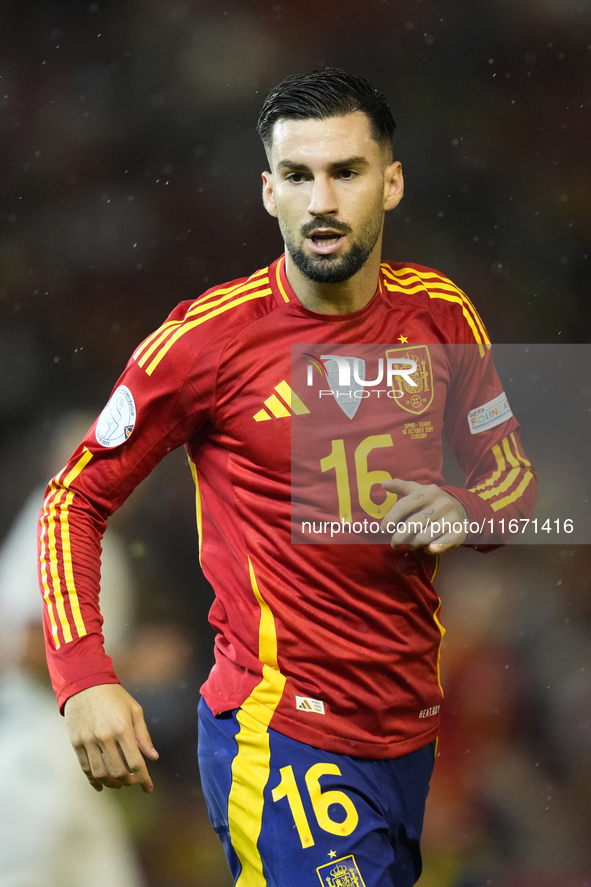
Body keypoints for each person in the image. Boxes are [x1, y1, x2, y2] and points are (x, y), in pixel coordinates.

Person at [38, 68, 536, 887]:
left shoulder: (441, 316)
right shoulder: (205, 343)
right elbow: (74, 498)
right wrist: (84, 677)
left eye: (346, 172)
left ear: (392, 182)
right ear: (268, 192)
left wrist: (471, 505)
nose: (322, 200)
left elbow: (512, 484)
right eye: (299, 177)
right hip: (282, 733)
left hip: (409, 734)